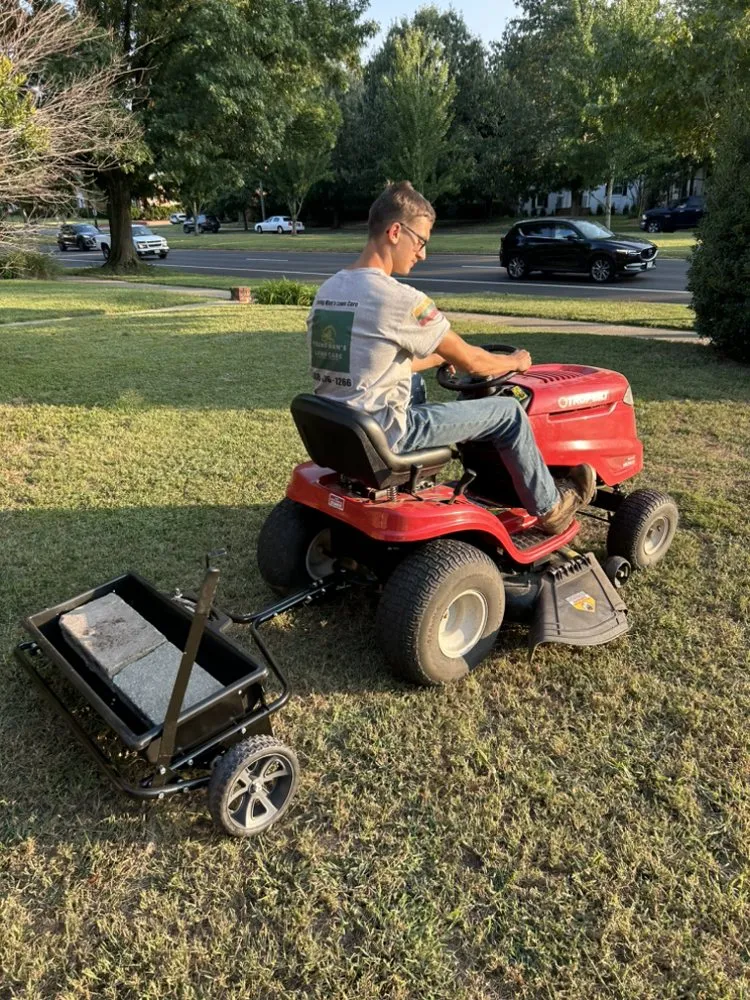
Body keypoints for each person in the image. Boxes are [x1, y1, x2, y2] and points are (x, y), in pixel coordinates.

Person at [306, 181, 595, 534]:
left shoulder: (330, 290)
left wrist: (436, 360)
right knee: (509, 413)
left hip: (342, 427)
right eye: (421, 241)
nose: (423, 254)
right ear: (395, 232)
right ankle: (551, 508)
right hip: (389, 434)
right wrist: (516, 362)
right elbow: (475, 362)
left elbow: (371, 362)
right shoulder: (398, 299)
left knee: (414, 383)